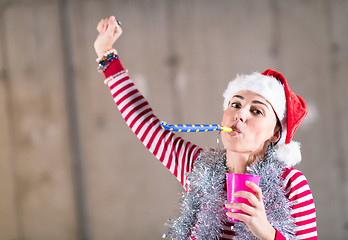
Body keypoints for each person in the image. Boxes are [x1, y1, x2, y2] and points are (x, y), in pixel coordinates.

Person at [94, 16, 318, 240]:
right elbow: (144, 122)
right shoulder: (198, 167)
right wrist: (105, 52)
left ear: (276, 133)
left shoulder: (290, 183)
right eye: (235, 104)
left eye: (256, 111)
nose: (240, 113)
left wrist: (267, 233)